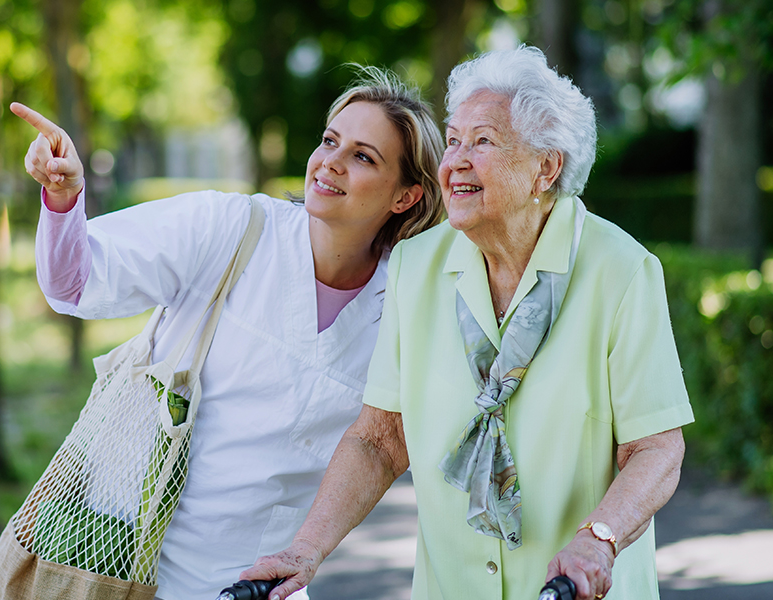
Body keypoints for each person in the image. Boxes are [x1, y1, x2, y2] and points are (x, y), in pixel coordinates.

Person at [242, 45, 695, 600]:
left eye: (482, 141)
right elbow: (381, 439)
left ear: (545, 168)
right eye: (453, 140)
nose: (455, 159)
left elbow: (656, 449)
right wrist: (304, 549)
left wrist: (599, 538)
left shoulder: (621, 271)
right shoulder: (417, 265)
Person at [9, 67, 445, 600]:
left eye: (363, 156)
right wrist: (64, 196)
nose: (330, 161)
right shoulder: (230, 228)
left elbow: (389, 442)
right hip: (120, 566)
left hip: (255, 587)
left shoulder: (403, 305)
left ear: (405, 197)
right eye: (330, 140)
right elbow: (75, 282)